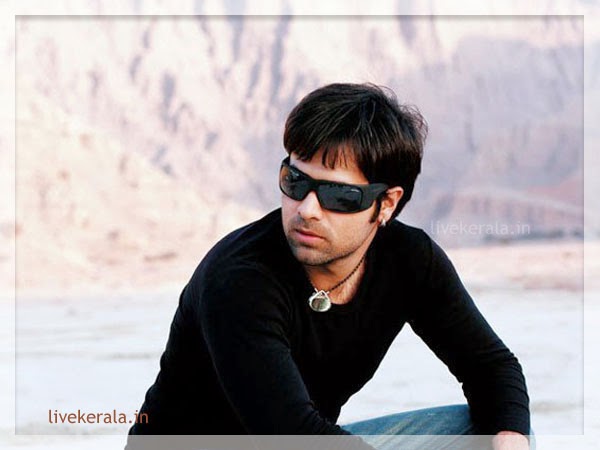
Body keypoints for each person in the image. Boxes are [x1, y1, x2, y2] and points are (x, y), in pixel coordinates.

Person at [127, 83, 531, 450]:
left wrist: (510, 438)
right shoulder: (239, 278)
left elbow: (491, 367)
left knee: (490, 429)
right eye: (295, 182)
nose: (307, 209)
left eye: (338, 195)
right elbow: (290, 434)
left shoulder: (410, 259)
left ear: (386, 203)